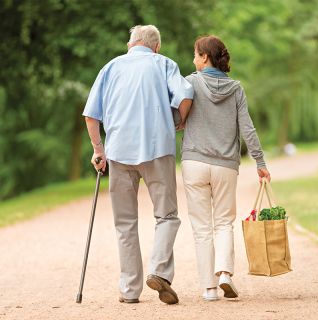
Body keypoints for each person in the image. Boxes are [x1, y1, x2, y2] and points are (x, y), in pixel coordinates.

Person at [83, 25, 193, 305]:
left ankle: (130, 290)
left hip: (119, 152)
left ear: (131, 44)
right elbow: (185, 95)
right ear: (156, 46)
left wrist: (99, 150)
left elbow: (91, 116)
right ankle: (159, 271)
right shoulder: (165, 64)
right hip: (158, 149)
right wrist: (177, 122)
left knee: (125, 223)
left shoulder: (110, 67)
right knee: (167, 216)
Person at [181, 35, 271, 301]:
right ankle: (225, 274)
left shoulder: (190, 83)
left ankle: (209, 289)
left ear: (205, 57)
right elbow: (248, 129)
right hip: (225, 166)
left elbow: (177, 117)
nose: (194, 59)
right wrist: (260, 162)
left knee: (201, 227)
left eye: (196, 54)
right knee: (223, 223)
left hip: (194, 162)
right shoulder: (236, 89)